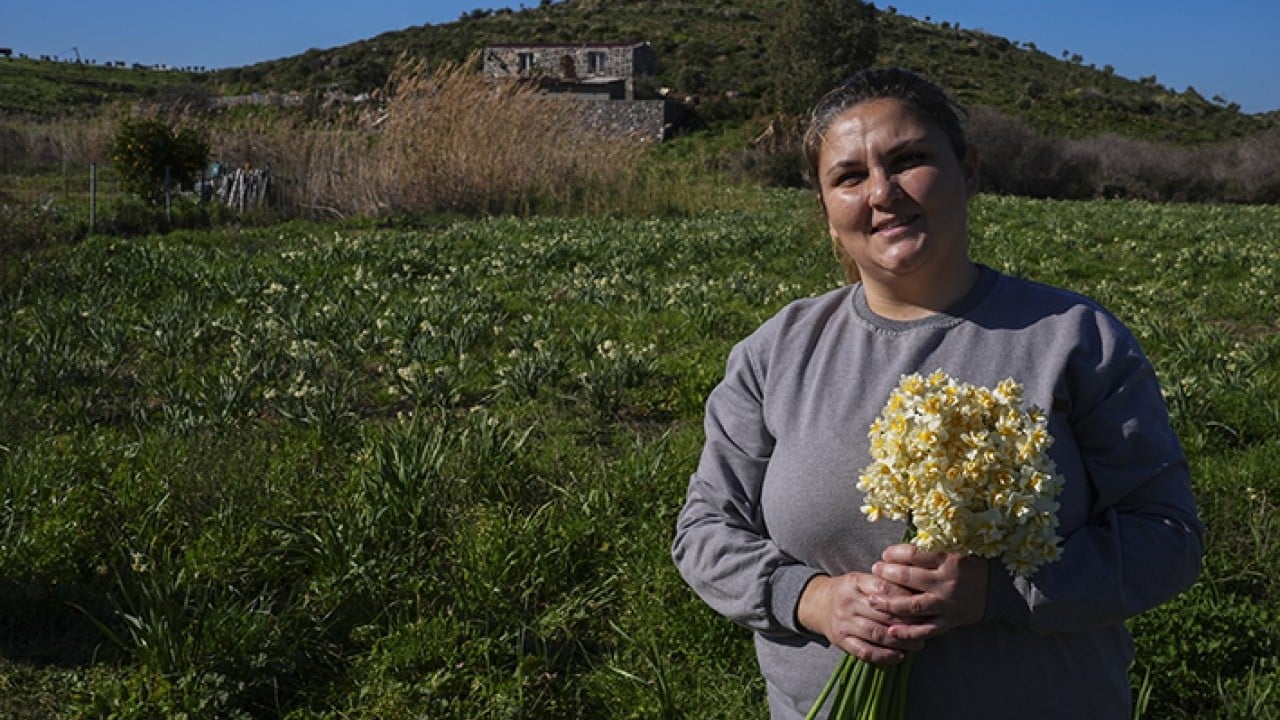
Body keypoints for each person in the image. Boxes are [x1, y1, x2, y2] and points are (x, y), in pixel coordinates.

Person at [670, 67, 1203, 719]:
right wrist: (811, 599)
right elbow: (703, 531)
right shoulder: (775, 352)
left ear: (969, 170)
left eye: (910, 160)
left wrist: (995, 592)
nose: (882, 192)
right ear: (825, 209)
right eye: (849, 176)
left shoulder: (1074, 339)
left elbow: (1168, 535)